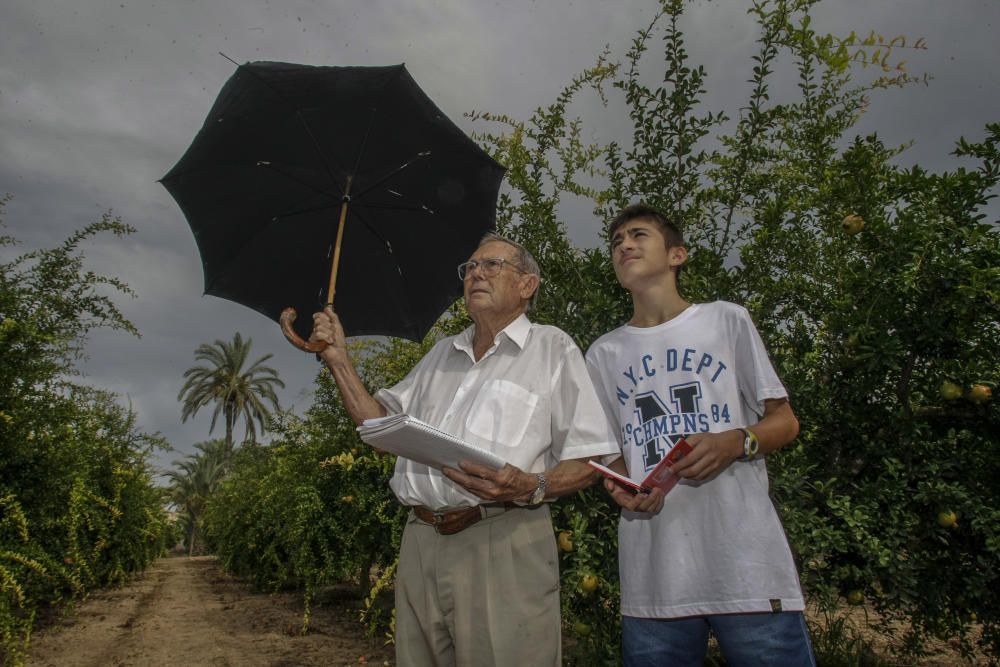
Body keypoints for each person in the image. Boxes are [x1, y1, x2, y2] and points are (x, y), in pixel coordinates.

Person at [310, 233, 619, 667]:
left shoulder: (552, 348)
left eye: (491, 265)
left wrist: (532, 483)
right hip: (419, 542)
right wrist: (338, 358)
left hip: (504, 538)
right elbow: (377, 425)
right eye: (469, 268)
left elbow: (592, 457)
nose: (475, 273)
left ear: (527, 285)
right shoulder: (441, 353)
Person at [585, 204, 816, 666]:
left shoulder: (726, 321)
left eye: (638, 235)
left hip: (747, 569)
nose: (624, 245)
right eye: (616, 242)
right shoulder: (603, 353)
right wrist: (623, 488)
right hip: (655, 580)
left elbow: (784, 421)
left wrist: (735, 443)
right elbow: (612, 456)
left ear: (677, 255)